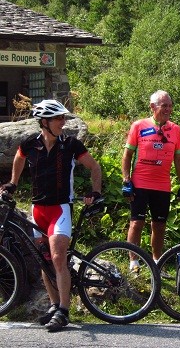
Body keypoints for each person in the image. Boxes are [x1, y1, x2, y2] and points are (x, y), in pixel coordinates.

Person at [0, 99, 102, 332]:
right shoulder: (30, 143)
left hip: (60, 208)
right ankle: (55, 306)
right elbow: (19, 158)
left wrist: (95, 192)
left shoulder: (71, 145)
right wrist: (13, 183)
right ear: (44, 122)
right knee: (43, 259)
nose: (62, 122)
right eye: (58, 118)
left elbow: (95, 167)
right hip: (38, 209)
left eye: (63, 118)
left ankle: (64, 311)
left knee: (57, 257)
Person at [121, 90, 180, 271]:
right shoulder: (139, 126)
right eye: (164, 105)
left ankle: (156, 262)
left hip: (162, 185)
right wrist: (126, 180)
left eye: (170, 106)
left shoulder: (175, 129)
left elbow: (179, 159)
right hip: (140, 182)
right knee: (137, 223)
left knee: (159, 225)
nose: (168, 109)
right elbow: (127, 155)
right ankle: (133, 263)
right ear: (152, 107)